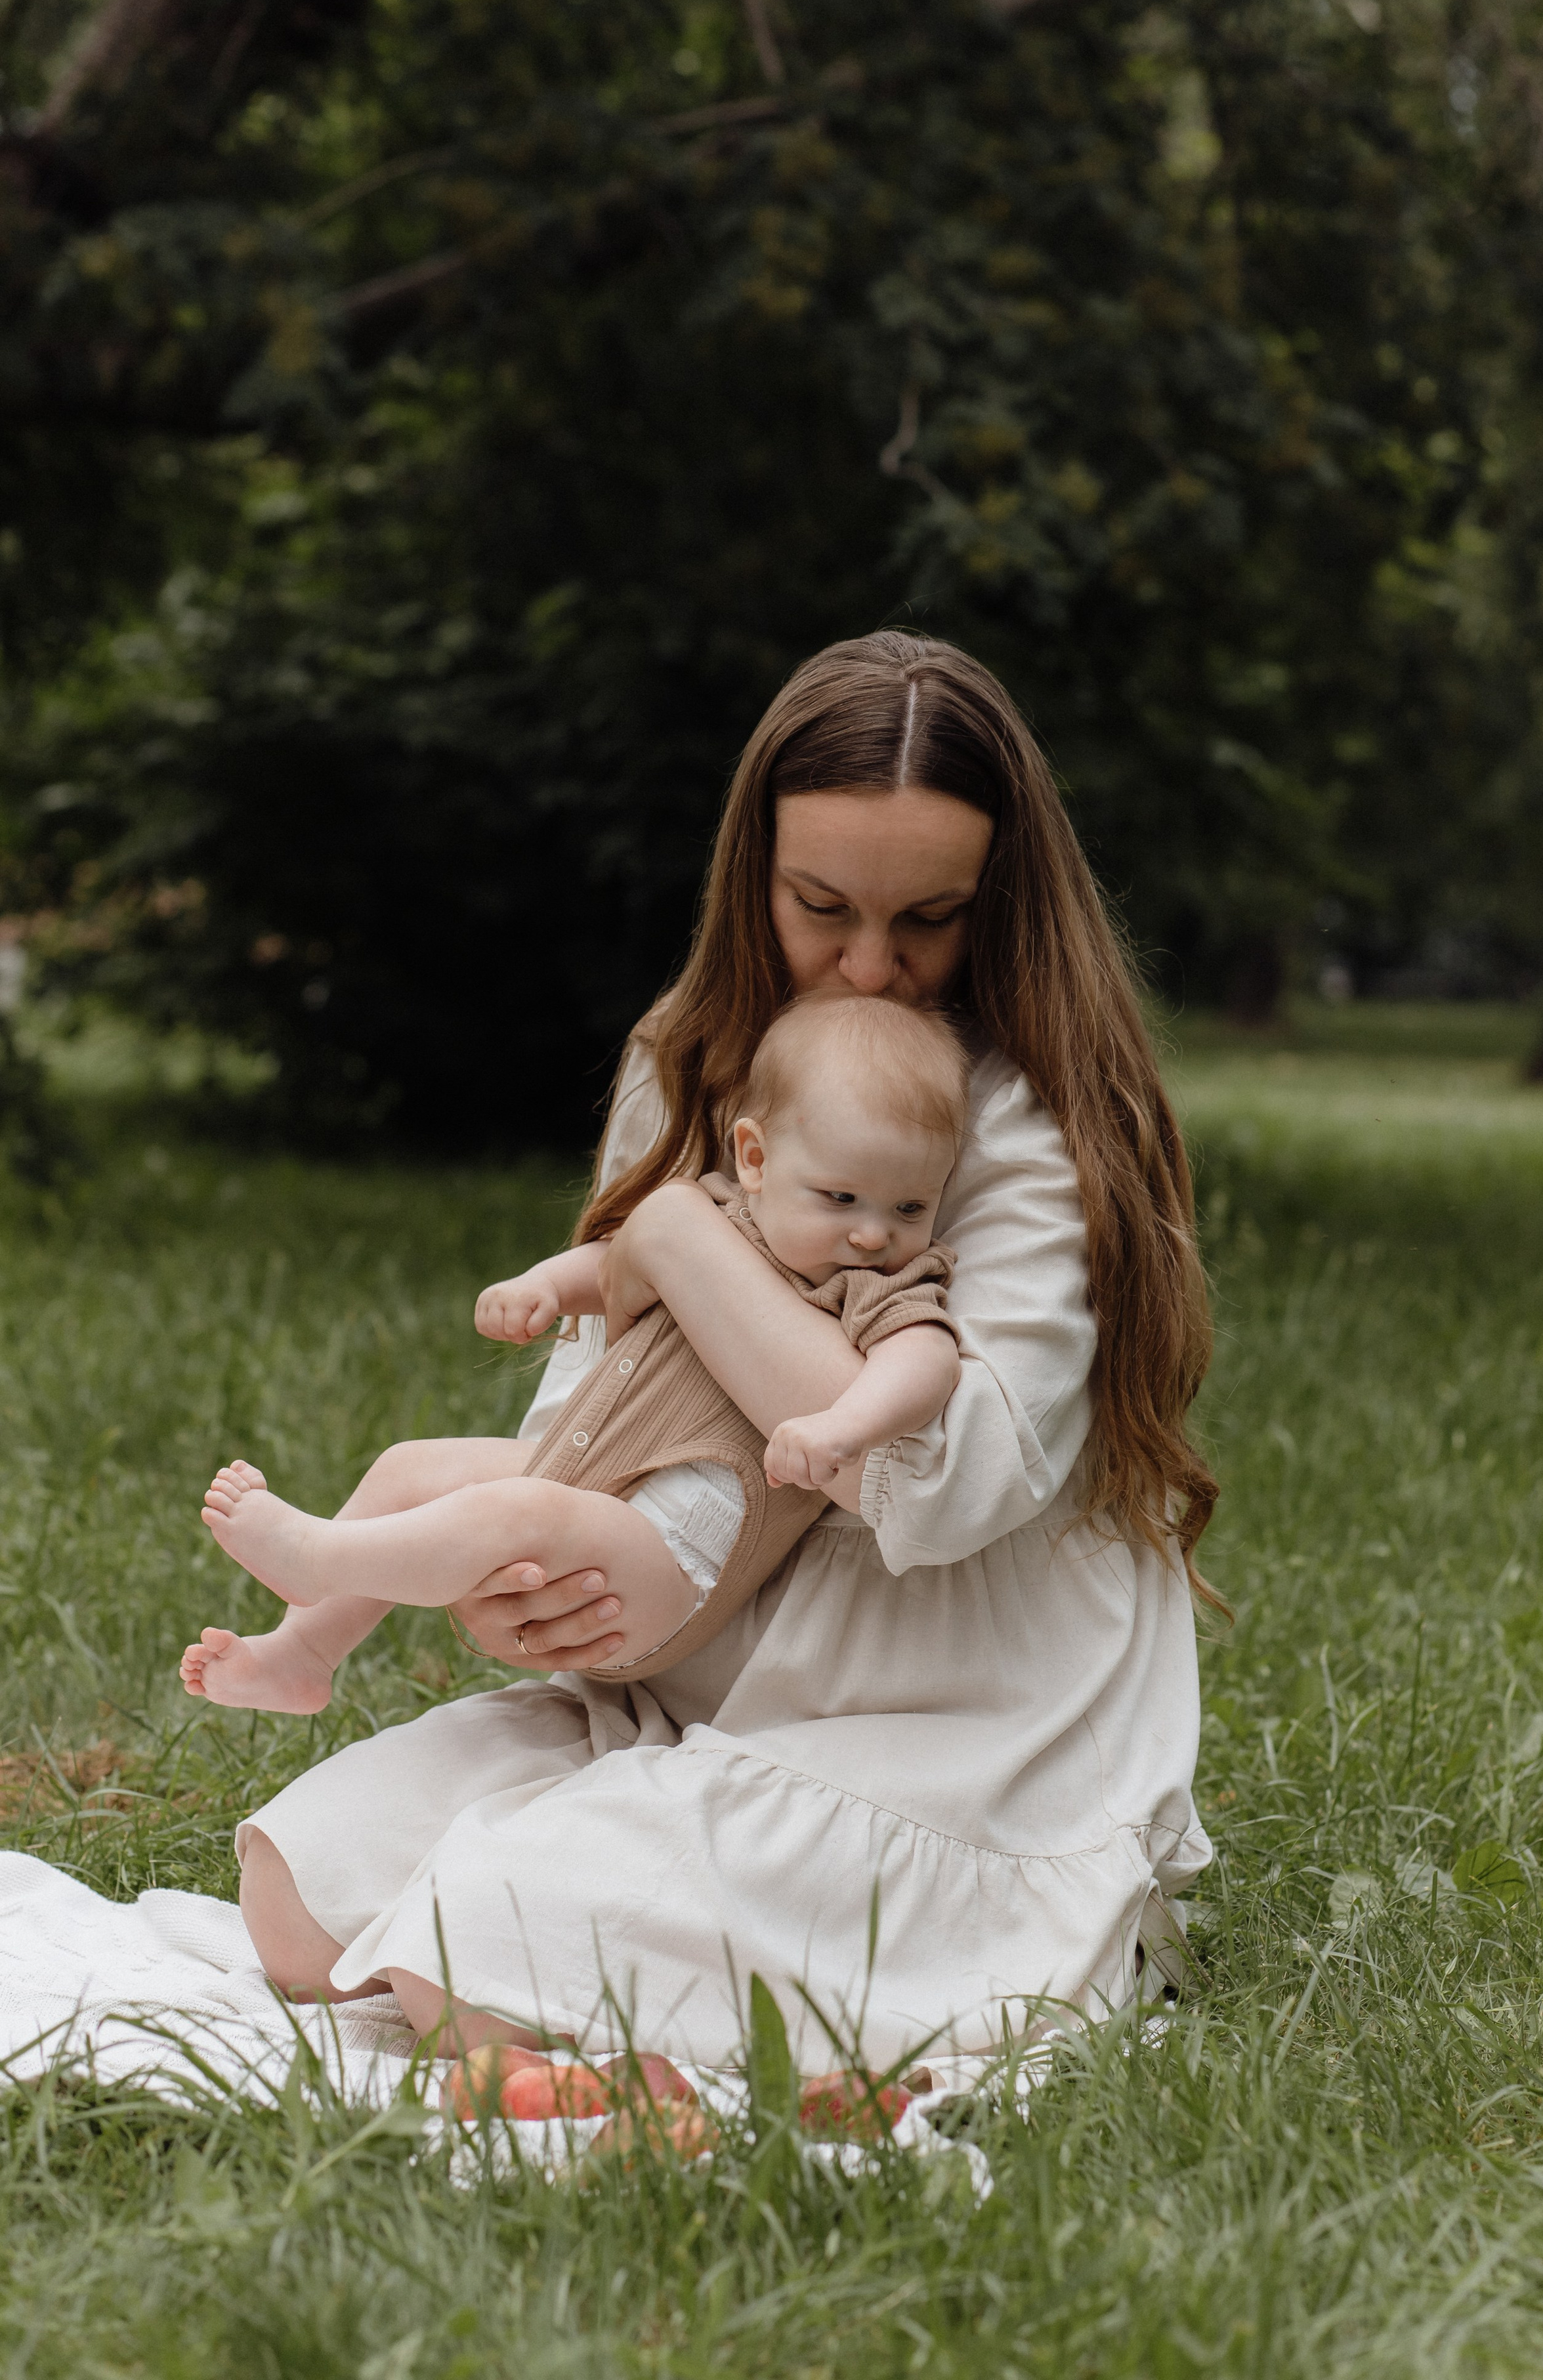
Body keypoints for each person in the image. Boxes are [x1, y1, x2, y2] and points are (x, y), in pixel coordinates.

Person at [227, 631, 1221, 2071]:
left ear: (1000, 902)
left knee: (474, 1954)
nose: (869, 967)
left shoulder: (1010, 1126)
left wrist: (680, 1239)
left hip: (942, 1722)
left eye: (928, 918)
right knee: (296, 1909)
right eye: (821, 907)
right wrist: (528, 1581)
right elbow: (599, 1417)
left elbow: (937, 1490)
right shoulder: (688, 1064)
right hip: (683, 1675)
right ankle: (620, 1864)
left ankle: (958, 1930)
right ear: (752, 877)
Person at [181, 992, 967, 1692]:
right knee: (412, 1468)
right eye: (841, 1197)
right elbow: (619, 1264)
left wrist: (843, 1424)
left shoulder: (874, 1283)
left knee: (520, 1510)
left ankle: (318, 1561)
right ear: (755, 1158)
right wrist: (549, 1286)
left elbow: (924, 1360)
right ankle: (302, 1654)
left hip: (673, 1561)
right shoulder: (723, 1213)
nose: (872, 1232)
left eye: (909, 1206)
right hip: (603, 1481)